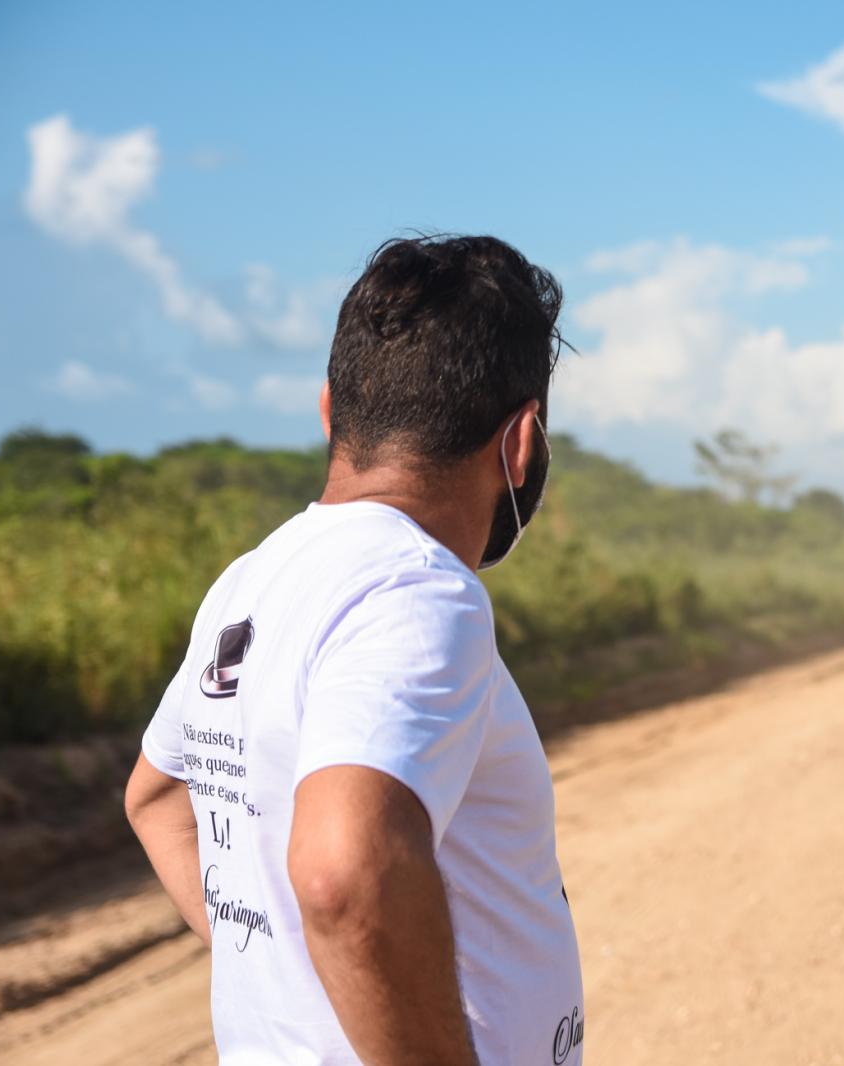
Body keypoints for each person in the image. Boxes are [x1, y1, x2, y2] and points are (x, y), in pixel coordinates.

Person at [124, 235, 584, 1065]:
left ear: (331, 409)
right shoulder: (418, 593)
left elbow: (157, 801)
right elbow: (346, 873)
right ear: (523, 443)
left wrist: (297, 978)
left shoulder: (251, 580)